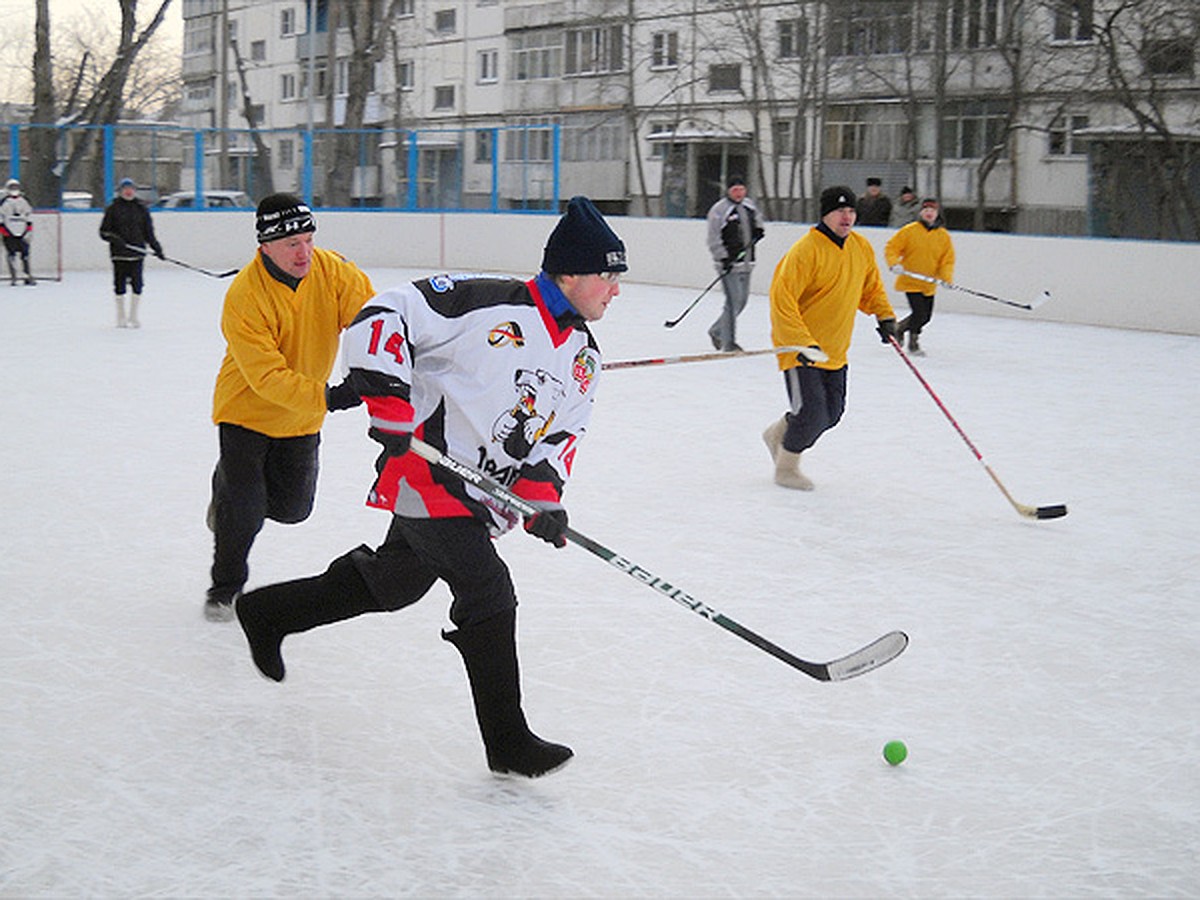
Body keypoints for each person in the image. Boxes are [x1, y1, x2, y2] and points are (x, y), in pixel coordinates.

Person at [234, 196, 626, 779]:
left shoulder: (583, 356)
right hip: (427, 475)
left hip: (485, 497)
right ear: (570, 273)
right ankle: (508, 742)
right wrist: (389, 399)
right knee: (488, 589)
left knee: (393, 585)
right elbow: (382, 315)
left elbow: (561, 434)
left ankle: (268, 612)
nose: (615, 291)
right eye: (607, 276)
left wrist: (543, 497)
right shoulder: (483, 302)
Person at [204, 193, 374, 622]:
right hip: (245, 412)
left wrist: (386, 365)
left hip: (300, 418)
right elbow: (265, 377)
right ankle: (224, 588)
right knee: (243, 513)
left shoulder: (332, 271)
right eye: (291, 244)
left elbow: (374, 318)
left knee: (292, 509)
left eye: (308, 239)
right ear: (265, 246)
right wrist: (333, 396)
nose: (304, 252)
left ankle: (231, 493)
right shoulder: (245, 296)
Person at [762, 185, 896, 490]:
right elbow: (782, 300)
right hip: (800, 350)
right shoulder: (805, 251)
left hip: (835, 350)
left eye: (850, 211)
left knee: (831, 414)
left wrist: (884, 315)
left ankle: (778, 434)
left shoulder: (860, 247)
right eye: (840, 211)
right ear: (825, 214)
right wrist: (801, 342)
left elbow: (871, 288)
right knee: (811, 413)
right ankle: (786, 468)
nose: (846, 217)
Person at [886, 197, 955, 357]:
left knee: (926, 317)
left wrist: (946, 278)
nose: (929, 213)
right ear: (921, 213)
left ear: (937, 214)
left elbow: (947, 260)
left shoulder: (943, 236)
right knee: (919, 314)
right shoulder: (910, 230)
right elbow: (892, 247)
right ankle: (913, 341)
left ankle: (900, 328)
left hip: (929, 284)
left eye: (932, 211)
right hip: (911, 281)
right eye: (926, 210)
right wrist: (894, 263)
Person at [705, 176, 764, 352]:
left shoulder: (749, 206)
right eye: (734, 190)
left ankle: (716, 331)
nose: (738, 193)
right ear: (728, 191)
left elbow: (758, 220)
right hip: (728, 264)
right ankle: (729, 342)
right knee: (732, 301)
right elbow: (713, 237)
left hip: (747, 262)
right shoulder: (719, 209)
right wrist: (723, 257)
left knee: (742, 302)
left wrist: (759, 230)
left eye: (741, 189)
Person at [99, 178, 163, 328]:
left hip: (137, 253)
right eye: (125, 189)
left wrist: (157, 248)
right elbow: (103, 232)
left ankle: (133, 316)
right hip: (119, 254)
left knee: (137, 284)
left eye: (131, 188)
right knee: (119, 285)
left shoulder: (141, 209)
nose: (128, 191)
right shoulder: (113, 209)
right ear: (120, 191)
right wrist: (115, 239)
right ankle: (121, 316)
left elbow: (149, 232)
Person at [0, 178, 36, 286]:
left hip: (23, 232)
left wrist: (28, 228)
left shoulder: (24, 201)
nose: (14, 190)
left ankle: (27, 275)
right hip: (9, 233)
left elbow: (29, 214)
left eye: (16, 187)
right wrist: (3, 230)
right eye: (12, 188)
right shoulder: (4, 202)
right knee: (11, 254)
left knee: (25, 254)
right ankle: (14, 276)